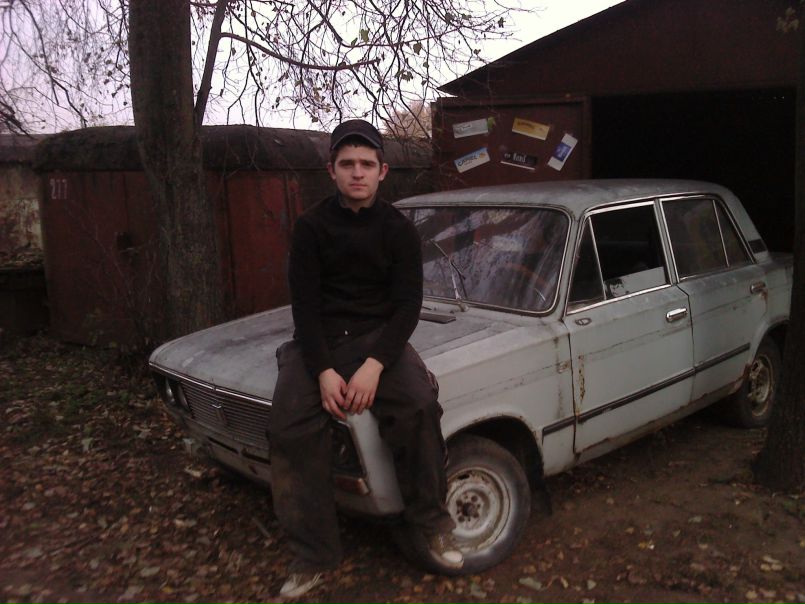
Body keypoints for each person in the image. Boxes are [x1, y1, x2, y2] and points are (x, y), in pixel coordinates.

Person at [268, 119, 463, 599]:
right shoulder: (311, 228)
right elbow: (304, 307)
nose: (357, 172)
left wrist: (375, 365)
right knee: (290, 427)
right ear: (331, 170)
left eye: (366, 164)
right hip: (321, 340)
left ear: (382, 171)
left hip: (379, 338)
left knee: (418, 407)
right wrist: (323, 371)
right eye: (347, 163)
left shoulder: (398, 230)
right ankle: (314, 554)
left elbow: (408, 306)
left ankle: (431, 524)